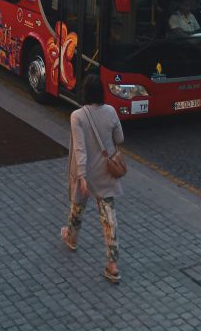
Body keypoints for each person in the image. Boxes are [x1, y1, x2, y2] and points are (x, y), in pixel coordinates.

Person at [61, 73, 124, 284]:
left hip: (85, 172)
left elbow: (80, 149)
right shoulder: (111, 111)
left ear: (84, 92)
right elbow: (120, 138)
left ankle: (72, 238)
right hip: (105, 172)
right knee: (109, 218)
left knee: (77, 207)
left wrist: (82, 176)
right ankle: (113, 265)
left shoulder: (77, 116)